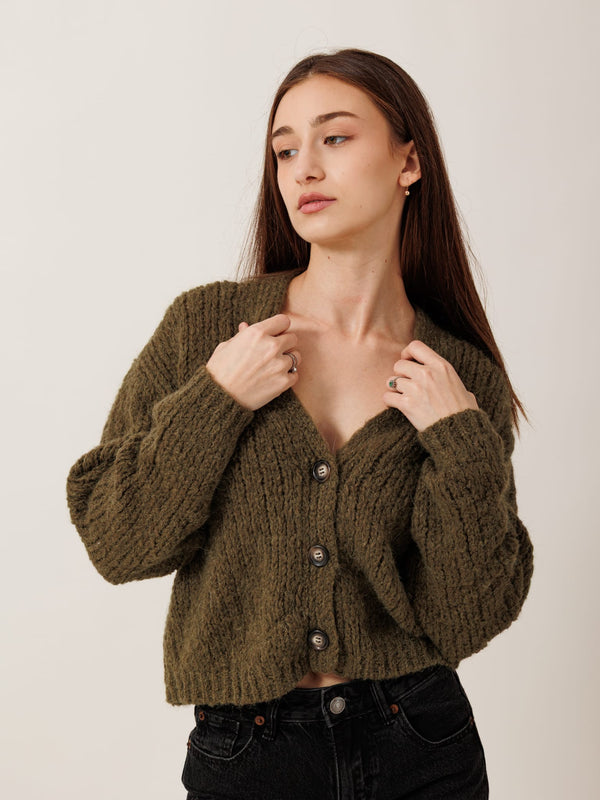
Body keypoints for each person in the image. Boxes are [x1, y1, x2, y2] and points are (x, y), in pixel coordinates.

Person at [66, 47, 534, 799]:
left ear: (408, 162)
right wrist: (217, 399)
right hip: (248, 753)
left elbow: (464, 618)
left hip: (421, 740)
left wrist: (459, 446)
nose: (302, 168)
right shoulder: (208, 329)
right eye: (285, 150)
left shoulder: (459, 377)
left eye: (335, 138)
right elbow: (118, 542)